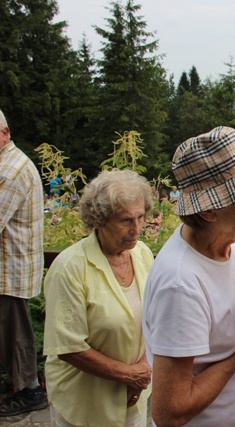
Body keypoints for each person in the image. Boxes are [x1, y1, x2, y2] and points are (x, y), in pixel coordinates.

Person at [143, 126, 235, 426]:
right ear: (209, 212)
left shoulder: (232, 243)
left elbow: (231, 321)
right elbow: (169, 412)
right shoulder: (180, 284)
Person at [42, 170, 154, 426]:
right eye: (125, 220)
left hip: (133, 396)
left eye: (140, 217)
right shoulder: (70, 267)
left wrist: (143, 371)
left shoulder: (142, 254)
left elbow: (154, 317)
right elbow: (68, 346)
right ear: (99, 220)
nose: (136, 229)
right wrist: (127, 374)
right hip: (85, 402)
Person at [0, 110, 47, 417]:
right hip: (11, 265)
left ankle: (28, 390)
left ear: (3, 133)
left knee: (16, 332)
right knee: (9, 331)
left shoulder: (10, 170)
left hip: (11, 269)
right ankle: (15, 384)